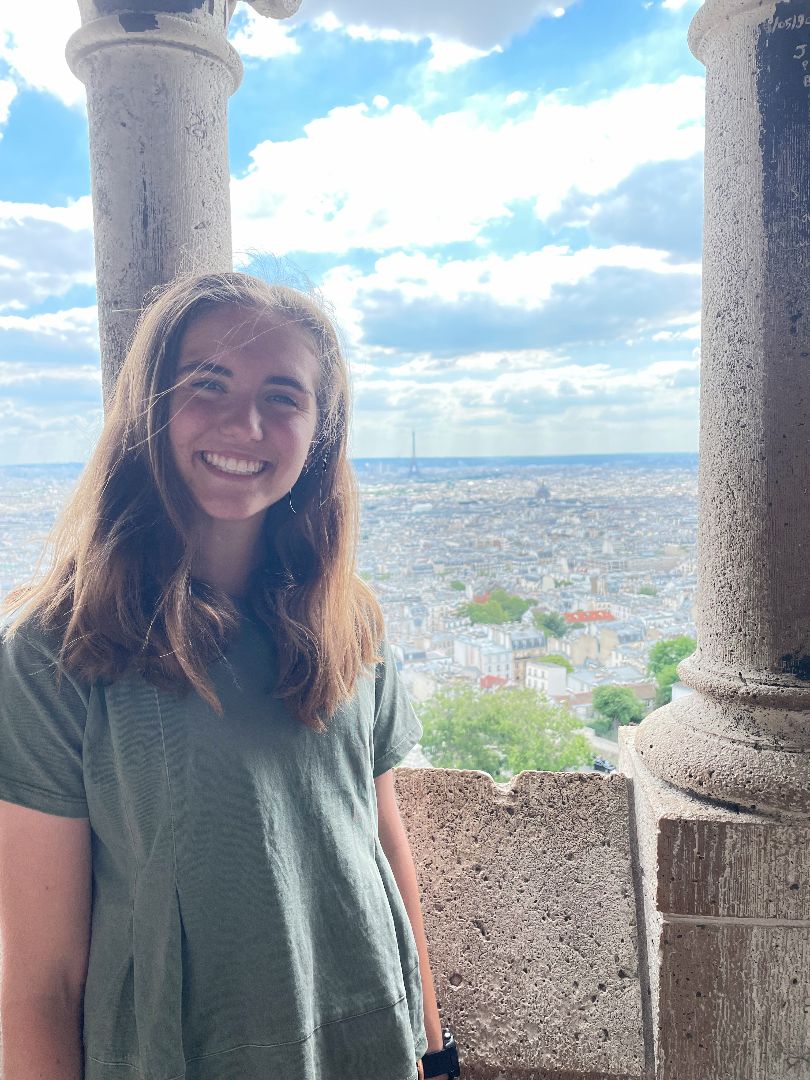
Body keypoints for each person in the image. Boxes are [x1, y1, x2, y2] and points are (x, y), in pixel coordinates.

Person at [0, 271, 454, 1080]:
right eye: (208, 385)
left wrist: (432, 1047)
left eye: (284, 396)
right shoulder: (57, 650)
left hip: (367, 1041)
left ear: (321, 431)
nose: (245, 424)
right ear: (150, 405)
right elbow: (41, 976)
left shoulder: (350, 619)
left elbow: (380, 842)